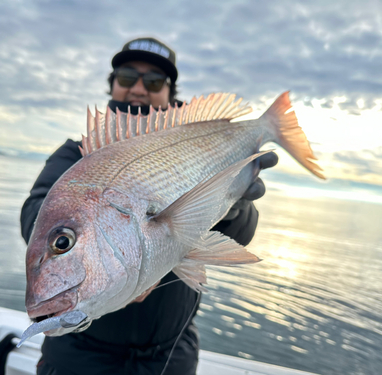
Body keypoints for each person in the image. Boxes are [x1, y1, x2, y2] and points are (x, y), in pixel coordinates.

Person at [20, 37, 278, 375]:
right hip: (77, 357)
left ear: (170, 93)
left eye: (154, 81)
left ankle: (275, 122)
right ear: (112, 85)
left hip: (169, 357)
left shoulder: (200, 141)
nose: (139, 89)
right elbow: (33, 215)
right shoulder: (76, 155)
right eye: (127, 77)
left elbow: (241, 235)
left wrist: (233, 208)